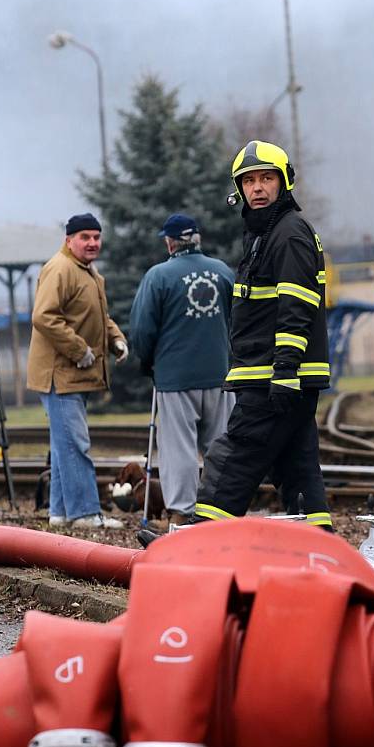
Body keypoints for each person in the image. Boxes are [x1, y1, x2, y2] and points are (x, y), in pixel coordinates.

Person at [193, 140, 333, 531]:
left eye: (266, 178)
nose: (256, 188)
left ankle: (199, 542)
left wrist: (285, 369)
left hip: (275, 375)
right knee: (297, 464)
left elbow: (296, 306)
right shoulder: (266, 234)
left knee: (236, 455)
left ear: (284, 182)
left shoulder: (288, 234)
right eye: (248, 181)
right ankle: (318, 543)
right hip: (279, 375)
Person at [129, 213, 235, 525]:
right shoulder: (223, 272)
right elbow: (238, 319)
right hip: (220, 374)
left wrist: (147, 362)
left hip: (175, 378)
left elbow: (142, 329)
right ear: (198, 239)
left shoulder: (158, 276)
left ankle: (182, 511)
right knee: (222, 446)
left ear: (170, 241)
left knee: (179, 450)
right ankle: (222, 507)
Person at [27, 212, 128, 529]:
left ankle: (60, 513)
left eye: (96, 237)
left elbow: (100, 315)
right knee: (75, 445)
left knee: (63, 446)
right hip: (60, 375)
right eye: (85, 237)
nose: (92, 243)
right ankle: (84, 513)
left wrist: (116, 340)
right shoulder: (60, 269)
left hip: (74, 376)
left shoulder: (87, 272)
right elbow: (44, 317)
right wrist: (79, 349)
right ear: (69, 240)